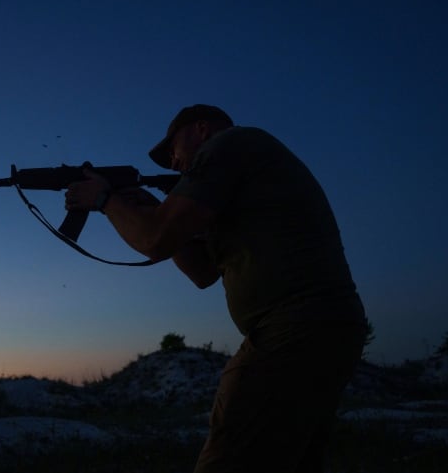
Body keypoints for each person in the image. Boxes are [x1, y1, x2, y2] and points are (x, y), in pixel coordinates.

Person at [65, 104, 367, 473]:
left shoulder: (229, 145)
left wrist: (105, 200)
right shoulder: (245, 171)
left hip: (293, 327)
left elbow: (154, 239)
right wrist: (149, 207)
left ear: (202, 130)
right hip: (321, 327)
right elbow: (202, 272)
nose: (175, 164)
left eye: (173, 150)